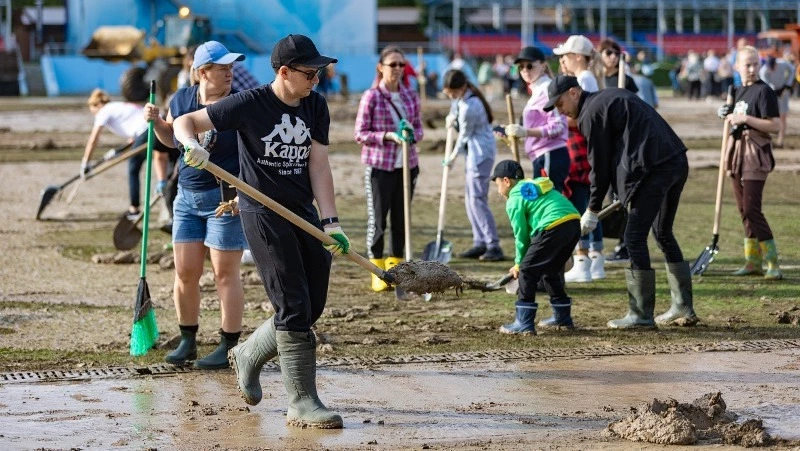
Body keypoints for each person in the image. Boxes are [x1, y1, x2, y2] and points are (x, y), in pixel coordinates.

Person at [172, 34, 347, 429]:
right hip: (261, 213)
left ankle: (250, 352)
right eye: (309, 73)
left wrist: (331, 221)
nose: (316, 80)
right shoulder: (250, 104)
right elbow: (186, 121)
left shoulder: (316, 106)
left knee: (311, 303)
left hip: (301, 211)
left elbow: (318, 165)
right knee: (294, 305)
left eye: (319, 72)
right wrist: (191, 145)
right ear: (284, 72)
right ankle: (302, 402)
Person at [544, 75, 698, 329]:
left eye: (560, 104)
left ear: (573, 93)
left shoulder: (590, 114)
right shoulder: (606, 98)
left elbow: (599, 166)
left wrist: (592, 209)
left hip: (654, 169)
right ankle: (683, 307)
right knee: (662, 233)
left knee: (634, 237)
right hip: (675, 160)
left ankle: (640, 314)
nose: (561, 111)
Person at [143, 40, 248, 370]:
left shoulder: (238, 104)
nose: (230, 73)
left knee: (224, 275)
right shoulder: (184, 98)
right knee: (185, 272)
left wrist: (244, 196)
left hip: (226, 199)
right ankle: (187, 340)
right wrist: (157, 122)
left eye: (232, 67)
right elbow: (172, 141)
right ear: (202, 72)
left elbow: (252, 154)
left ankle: (228, 346)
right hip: (187, 198)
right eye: (222, 68)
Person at [354, 45, 423, 291]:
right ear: (380, 67)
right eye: (392, 64)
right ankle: (377, 270)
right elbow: (360, 133)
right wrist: (389, 136)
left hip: (406, 166)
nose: (397, 69)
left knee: (401, 220)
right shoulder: (371, 96)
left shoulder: (410, 95)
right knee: (379, 221)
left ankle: (396, 270)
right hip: (380, 166)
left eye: (401, 65)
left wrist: (411, 135)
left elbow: (419, 129)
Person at [491, 160, 581, 334]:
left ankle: (523, 323)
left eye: (497, 184)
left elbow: (521, 237)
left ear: (506, 181)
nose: (498, 190)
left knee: (527, 271)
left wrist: (518, 264)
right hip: (573, 222)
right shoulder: (536, 186)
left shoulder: (514, 199)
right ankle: (562, 317)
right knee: (551, 271)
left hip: (552, 226)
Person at [718, 46, 783, 280]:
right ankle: (752, 262)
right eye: (747, 64)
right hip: (736, 153)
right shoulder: (735, 91)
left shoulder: (764, 92)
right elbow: (732, 120)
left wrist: (745, 118)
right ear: (737, 66)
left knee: (752, 209)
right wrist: (726, 113)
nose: (753, 68)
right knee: (743, 210)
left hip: (755, 153)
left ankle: (772, 263)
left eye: (756, 63)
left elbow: (775, 126)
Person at [553, 34, 606, 282]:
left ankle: (583, 259)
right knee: (588, 204)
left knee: (581, 205)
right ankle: (595, 260)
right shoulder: (589, 78)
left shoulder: (583, 80)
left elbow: (584, 117)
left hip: (581, 151)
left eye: (564, 56)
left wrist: (559, 120)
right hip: (586, 150)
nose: (562, 61)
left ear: (577, 57)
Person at [80, 89, 172, 219]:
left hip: (147, 129)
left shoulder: (104, 111)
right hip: (159, 125)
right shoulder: (118, 106)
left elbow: (93, 139)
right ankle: (170, 209)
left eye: (93, 111)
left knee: (133, 168)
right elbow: (133, 138)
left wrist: (85, 163)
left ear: (96, 105)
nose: (95, 115)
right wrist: (116, 151)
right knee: (168, 163)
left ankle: (134, 209)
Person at [442, 69, 503, 262]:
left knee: (477, 199)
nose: (450, 97)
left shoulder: (471, 105)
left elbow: (464, 136)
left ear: (462, 88)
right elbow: (454, 111)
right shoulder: (460, 100)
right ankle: (480, 242)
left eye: (452, 93)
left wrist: (451, 157)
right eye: (448, 94)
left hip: (481, 153)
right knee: (470, 199)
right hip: (472, 154)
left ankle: (493, 244)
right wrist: (451, 118)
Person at [500, 46, 569, 196]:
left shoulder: (547, 88)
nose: (525, 70)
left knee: (547, 205)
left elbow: (559, 126)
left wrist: (526, 131)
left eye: (530, 65)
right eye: (521, 67)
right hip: (541, 156)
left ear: (543, 65)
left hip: (551, 154)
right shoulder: (536, 90)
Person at [759, 55, 795, 148]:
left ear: (776, 64)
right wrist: (773, 90)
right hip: (771, 94)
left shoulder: (782, 63)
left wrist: (787, 85)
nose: (771, 70)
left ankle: (780, 140)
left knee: (783, 116)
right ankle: (767, 139)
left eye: (773, 67)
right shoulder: (764, 71)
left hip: (783, 92)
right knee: (769, 116)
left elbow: (792, 70)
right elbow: (766, 83)